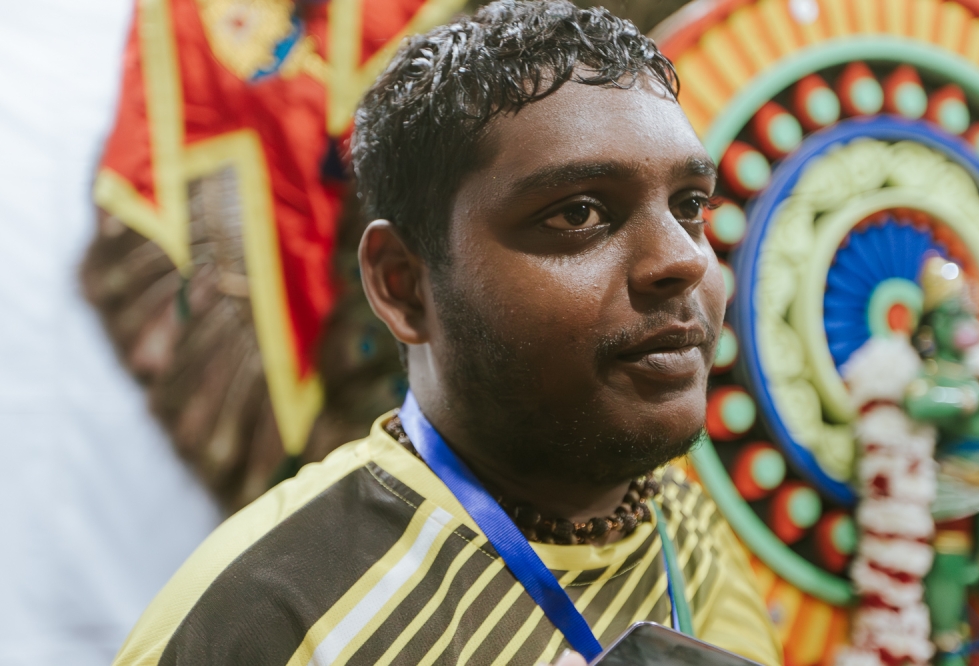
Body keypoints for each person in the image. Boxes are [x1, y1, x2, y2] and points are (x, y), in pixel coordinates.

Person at [111, 2, 782, 664]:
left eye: (691, 206)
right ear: (402, 283)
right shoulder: (267, 619)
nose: (685, 260)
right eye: (579, 213)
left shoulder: (692, 538)